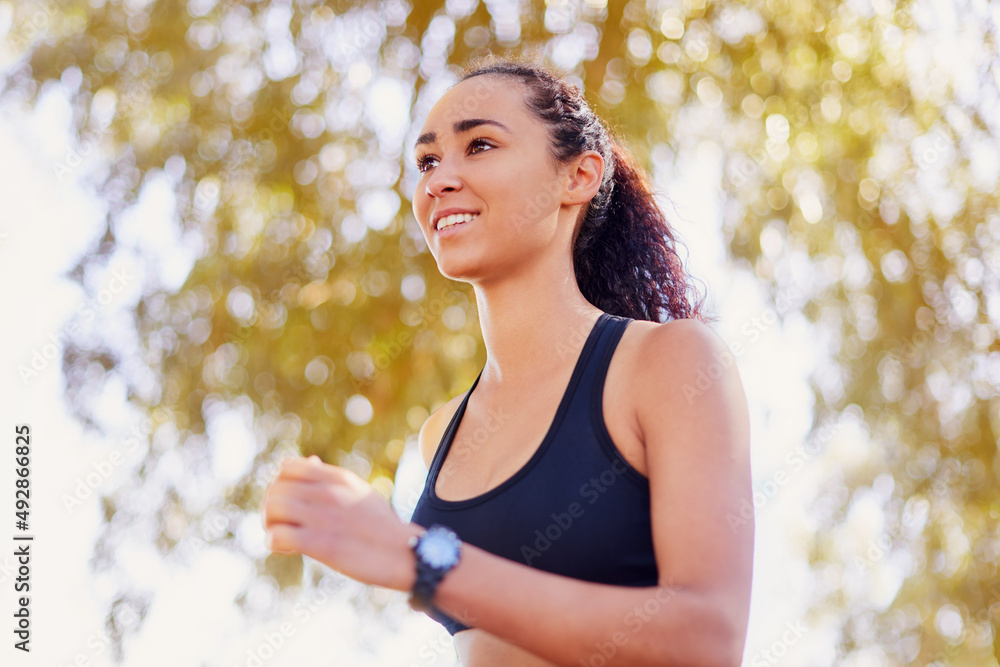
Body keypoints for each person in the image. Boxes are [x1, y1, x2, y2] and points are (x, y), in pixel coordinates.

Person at [263, 54, 754, 666]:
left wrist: (418, 559)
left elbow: (708, 638)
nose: (439, 179)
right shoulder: (442, 433)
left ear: (577, 177)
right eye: (428, 161)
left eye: (481, 145)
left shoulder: (669, 362)